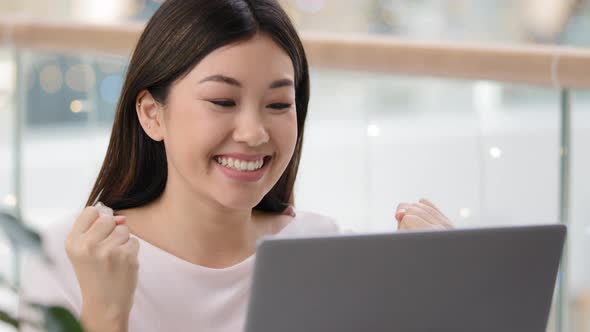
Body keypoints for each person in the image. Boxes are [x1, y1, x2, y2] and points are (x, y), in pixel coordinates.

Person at [20, 0, 453, 331]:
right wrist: (105, 314)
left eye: (279, 103)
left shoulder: (325, 251)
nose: (254, 132)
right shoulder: (73, 259)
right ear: (152, 114)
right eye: (222, 101)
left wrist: (449, 284)